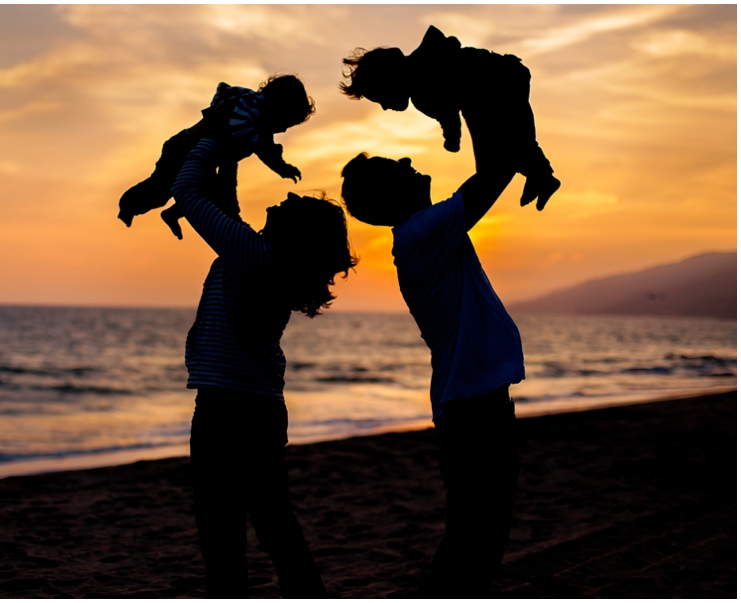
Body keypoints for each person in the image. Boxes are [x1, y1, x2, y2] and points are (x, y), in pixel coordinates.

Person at [171, 131, 358, 597]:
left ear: (295, 231)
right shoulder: (264, 258)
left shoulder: (250, 254)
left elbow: (189, 192)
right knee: (276, 524)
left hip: (225, 411)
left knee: (221, 533)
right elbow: (227, 206)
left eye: (292, 204)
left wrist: (210, 143)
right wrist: (237, 152)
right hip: (262, 408)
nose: (286, 196)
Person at [340, 152, 523, 597]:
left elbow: (490, 171)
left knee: (476, 533)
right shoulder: (422, 232)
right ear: (392, 195)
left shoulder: (425, 232)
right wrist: (516, 140)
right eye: (395, 166)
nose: (407, 158)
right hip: (473, 409)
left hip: (473, 403)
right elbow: (493, 174)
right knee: (476, 537)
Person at [340, 25, 560, 210]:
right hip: (506, 76)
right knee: (519, 140)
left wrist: (452, 141)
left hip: (493, 89)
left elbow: (449, 118)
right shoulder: (425, 67)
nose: (385, 107)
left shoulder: (423, 93)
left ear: (391, 81)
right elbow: (448, 112)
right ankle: (541, 174)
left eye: (381, 98)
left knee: (496, 155)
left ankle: (539, 175)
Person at [118, 75, 314, 239]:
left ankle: (172, 213)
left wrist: (283, 167)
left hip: (207, 160)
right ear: (278, 106)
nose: (285, 129)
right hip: (182, 149)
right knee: (159, 191)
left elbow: (266, 152)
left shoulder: (262, 126)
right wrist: (260, 143)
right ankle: (127, 206)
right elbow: (238, 129)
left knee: (208, 197)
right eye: (287, 121)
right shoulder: (250, 106)